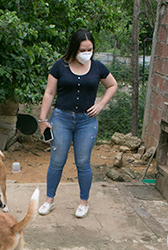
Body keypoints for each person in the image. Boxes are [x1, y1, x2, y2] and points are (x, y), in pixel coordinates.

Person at [37, 28, 118, 218]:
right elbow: (49, 93)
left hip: (86, 121)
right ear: (74, 48)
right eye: (82, 50)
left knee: (83, 162)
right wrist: (43, 119)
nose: (86, 53)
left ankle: (84, 202)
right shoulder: (60, 66)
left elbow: (112, 85)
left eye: (89, 49)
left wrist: (101, 104)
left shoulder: (98, 67)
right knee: (57, 161)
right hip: (61, 119)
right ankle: (49, 200)